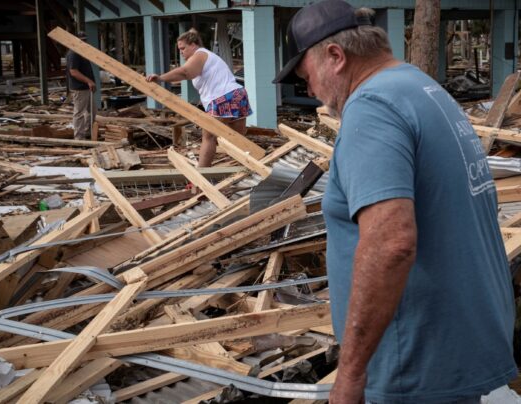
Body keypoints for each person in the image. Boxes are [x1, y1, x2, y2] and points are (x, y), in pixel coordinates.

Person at [273, 1, 517, 403]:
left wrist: (350, 376)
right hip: (453, 348)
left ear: (335, 56)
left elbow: (391, 244)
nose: (311, 91)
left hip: (416, 364)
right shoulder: (418, 87)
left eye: (307, 77)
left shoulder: (372, 108)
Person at [146, 28, 252, 167]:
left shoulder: (199, 54)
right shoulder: (206, 56)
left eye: (183, 48)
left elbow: (185, 72)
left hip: (223, 97)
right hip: (238, 94)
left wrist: (161, 78)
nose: (181, 52)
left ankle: (202, 177)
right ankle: (247, 171)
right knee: (238, 140)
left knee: (209, 137)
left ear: (193, 45)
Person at [67, 31, 97, 140]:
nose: (84, 42)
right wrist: (88, 81)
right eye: (82, 40)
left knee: (92, 112)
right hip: (79, 88)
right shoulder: (73, 53)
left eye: (85, 40)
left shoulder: (82, 52)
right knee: (79, 113)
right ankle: (79, 137)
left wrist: (91, 82)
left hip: (86, 88)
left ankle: (88, 132)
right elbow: (73, 71)